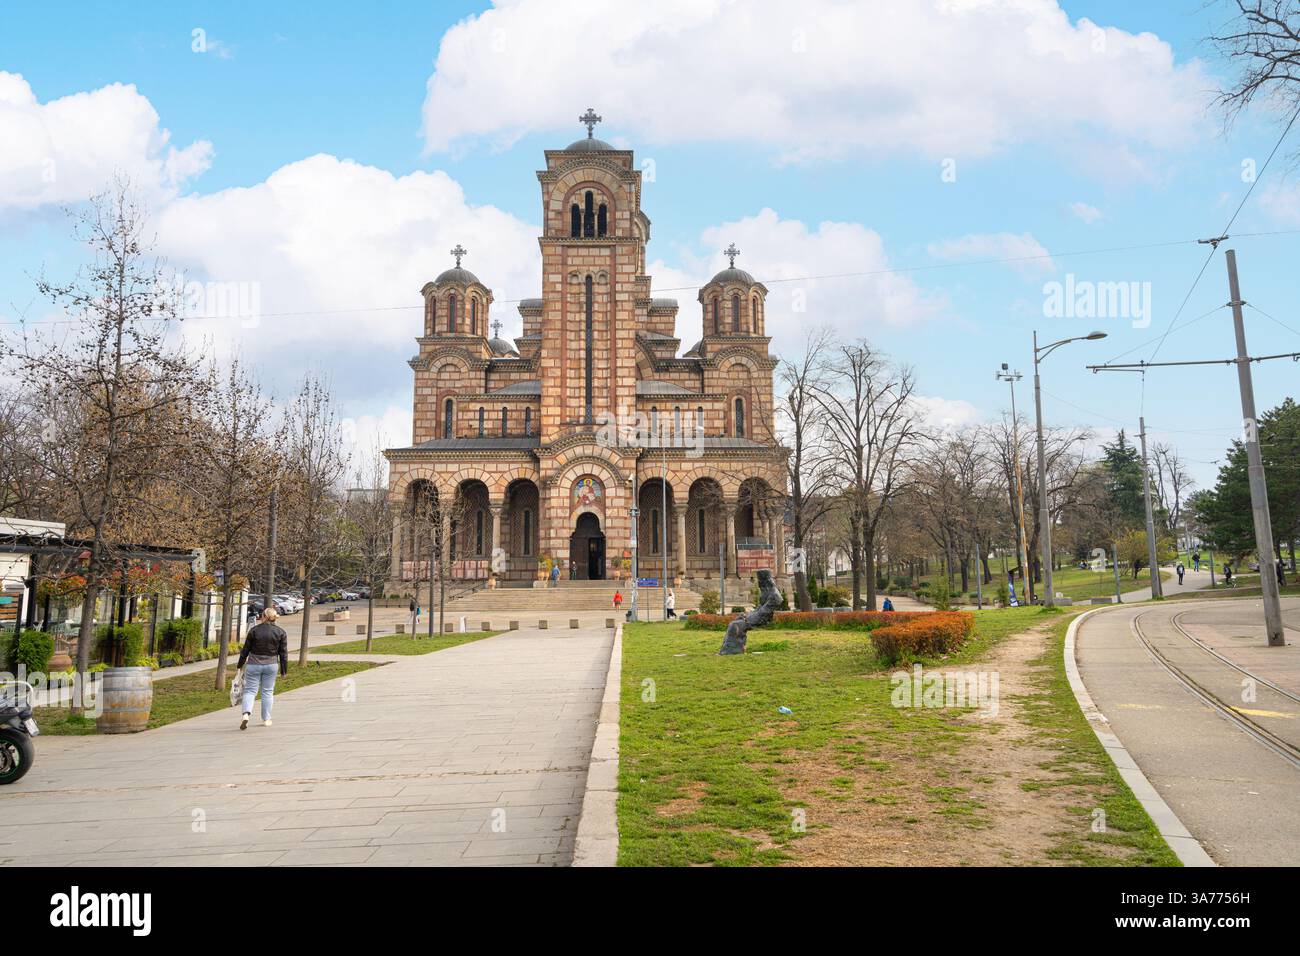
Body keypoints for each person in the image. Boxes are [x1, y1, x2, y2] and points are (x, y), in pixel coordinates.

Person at [237, 608, 288, 730]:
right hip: (271, 665)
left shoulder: (254, 631)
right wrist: (284, 670)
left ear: (264, 616)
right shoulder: (280, 632)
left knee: (249, 691)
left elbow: (245, 650)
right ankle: (266, 719)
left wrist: (240, 665)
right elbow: (283, 653)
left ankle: (246, 714)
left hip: (253, 664)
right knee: (267, 691)